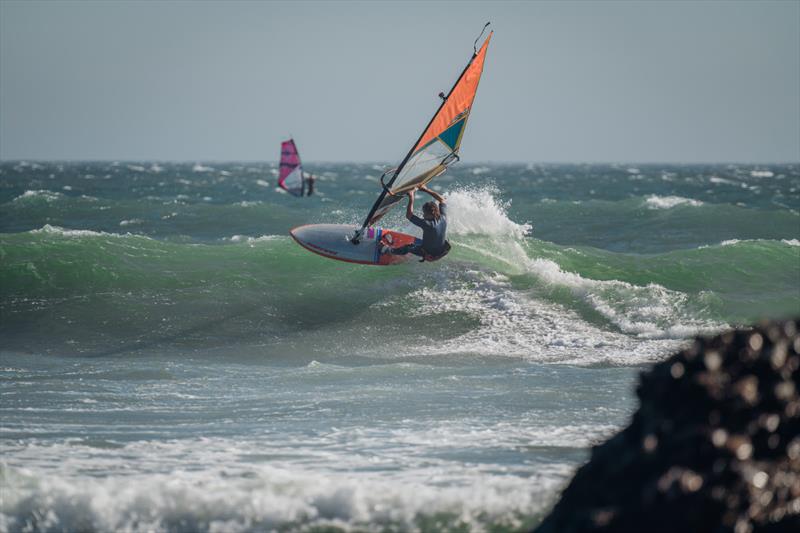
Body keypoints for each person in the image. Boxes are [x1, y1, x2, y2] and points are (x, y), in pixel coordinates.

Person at [383, 184, 450, 261]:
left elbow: (409, 215)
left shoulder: (427, 224)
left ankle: (388, 251)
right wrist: (426, 190)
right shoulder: (443, 218)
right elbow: (442, 200)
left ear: (428, 214)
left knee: (408, 247)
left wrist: (411, 197)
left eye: (424, 213)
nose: (423, 215)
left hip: (430, 255)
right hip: (441, 252)